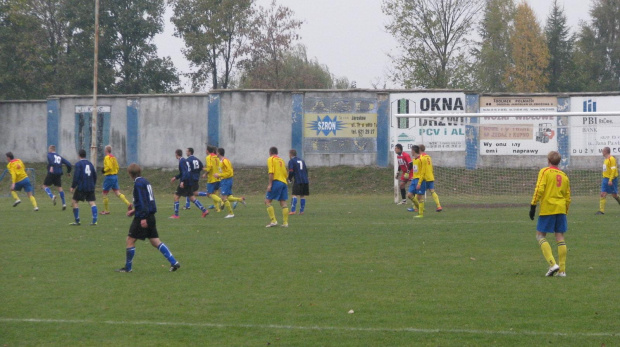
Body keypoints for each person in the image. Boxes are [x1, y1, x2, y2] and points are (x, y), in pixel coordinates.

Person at [116, 163, 180, 273]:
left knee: (130, 240)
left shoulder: (138, 184)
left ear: (130, 173)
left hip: (143, 217)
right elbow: (148, 201)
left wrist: (142, 217)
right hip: (150, 215)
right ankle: (174, 262)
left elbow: (143, 201)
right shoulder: (145, 181)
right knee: (155, 241)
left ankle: (128, 268)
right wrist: (134, 210)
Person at [529, 151, 570, 277]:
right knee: (560, 237)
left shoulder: (545, 172)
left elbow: (539, 188)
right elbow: (568, 196)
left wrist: (533, 205)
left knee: (540, 236)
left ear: (548, 160)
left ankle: (552, 264)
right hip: (561, 208)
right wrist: (565, 210)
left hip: (548, 208)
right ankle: (562, 270)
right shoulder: (564, 176)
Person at [170, 149, 208, 219]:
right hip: (190, 181)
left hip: (186, 181)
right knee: (191, 197)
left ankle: (176, 215)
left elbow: (185, 172)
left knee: (176, 196)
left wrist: (182, 181)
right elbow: (183, 173)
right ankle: (204, 210)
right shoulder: (184, 160)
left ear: (176, 154)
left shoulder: (182, 161)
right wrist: (176, 177)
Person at [214, 147, 245, 218]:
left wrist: (219, 175)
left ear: (219, 153)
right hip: (224, 180)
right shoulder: (221, 161)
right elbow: (225, 171)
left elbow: (229, 172)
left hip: (227, 180)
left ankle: (231, 213)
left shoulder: (225, 161)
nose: (216, 153)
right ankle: (239, 200)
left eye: (216, 152)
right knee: (228, 197)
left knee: (223, 198)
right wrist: (219, 176)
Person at [100, 145, 132, 215]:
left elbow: (109, 167)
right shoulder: (113, 157)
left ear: (106, 151)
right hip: (115, 176)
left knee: (104, 193)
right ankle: (128, 203)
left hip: (109, 177)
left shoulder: (107, 157)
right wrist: (115, 172)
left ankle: (106, 210)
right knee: (117, 193)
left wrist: (104, 170)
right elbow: (117, 167)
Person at [70, 149, 98, 225]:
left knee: (74, 201)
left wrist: (73, 186)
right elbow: (95, 176)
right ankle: (94, 221)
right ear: (85, 155)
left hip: (82, 186)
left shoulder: (78, 164)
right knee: (92, 202)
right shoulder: (90, 164)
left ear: (79, 155)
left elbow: (76, 176)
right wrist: (93, 184)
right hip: (90, 186)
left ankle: (77, 221)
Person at [265, 147, 289, 227]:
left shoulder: (271, 159)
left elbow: (271, 172)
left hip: (276, 182)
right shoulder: (281, 160)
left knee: (267, 201)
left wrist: (270, 184)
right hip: (284, 183)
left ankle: (273, 221)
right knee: (283, 202)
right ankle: (285, 223)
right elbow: (286, 174)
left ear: (270, 153)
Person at [42, 145, 72, 210]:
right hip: (58, 173)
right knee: (59, 187)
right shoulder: (59, 156)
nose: (48, 150)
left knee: (44, 186)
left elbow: (50, 159)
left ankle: (52, 196)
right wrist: (68, 172)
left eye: (49, 149)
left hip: (52, 173)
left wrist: (52, 166)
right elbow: (69, 164)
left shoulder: (49, 154)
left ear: (51, 149)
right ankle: (64, 203)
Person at [596, 146, 620, 215]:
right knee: (602, 194)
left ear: (606, 151)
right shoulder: (605, 159)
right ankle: (601, 211)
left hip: (612, 179)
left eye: (602, 151)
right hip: (605, 179)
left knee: (614, 195)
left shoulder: (611, 159)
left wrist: (610, 180)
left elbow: (613, 170)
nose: (602, 152)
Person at [419, 144, 442, 212]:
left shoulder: (421, 157)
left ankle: (419, 208)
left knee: (420, 193)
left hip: (425, 178)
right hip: (430, 176)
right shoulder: (428, 157)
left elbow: (422, 169)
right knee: (432, 191)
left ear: (419, 150)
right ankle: (438, 206)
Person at [201, 145, 224, 212]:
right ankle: (217, 209)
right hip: (218, 178)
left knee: (209, 194)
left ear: (207, 150)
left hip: (212, 178)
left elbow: (210, 167)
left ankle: (221, 201)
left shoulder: (208, 157)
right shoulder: (217, 157)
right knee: (215, 193)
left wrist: (205, 172)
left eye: (206, 150)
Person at [287, 149, 309, 215]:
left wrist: (289, 178)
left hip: (298, 180)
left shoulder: (291, 161)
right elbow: (306, 170)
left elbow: (291, 171)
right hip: (305, 180)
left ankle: (293, 210)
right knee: (302, 195)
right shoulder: (302, 160)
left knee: (294, 194)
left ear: (290, 154)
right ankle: (301, 211)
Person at [408, 145, 425, 218]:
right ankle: (420, 208)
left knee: (419, 197)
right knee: (409, 195)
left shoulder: (421, 159)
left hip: (420, 180)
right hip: (414, 179)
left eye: (411, 150)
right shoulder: (414, 159)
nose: (411, 152)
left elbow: (423, 172)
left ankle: (420, 214)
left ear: (414, 151)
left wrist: (420, 182)